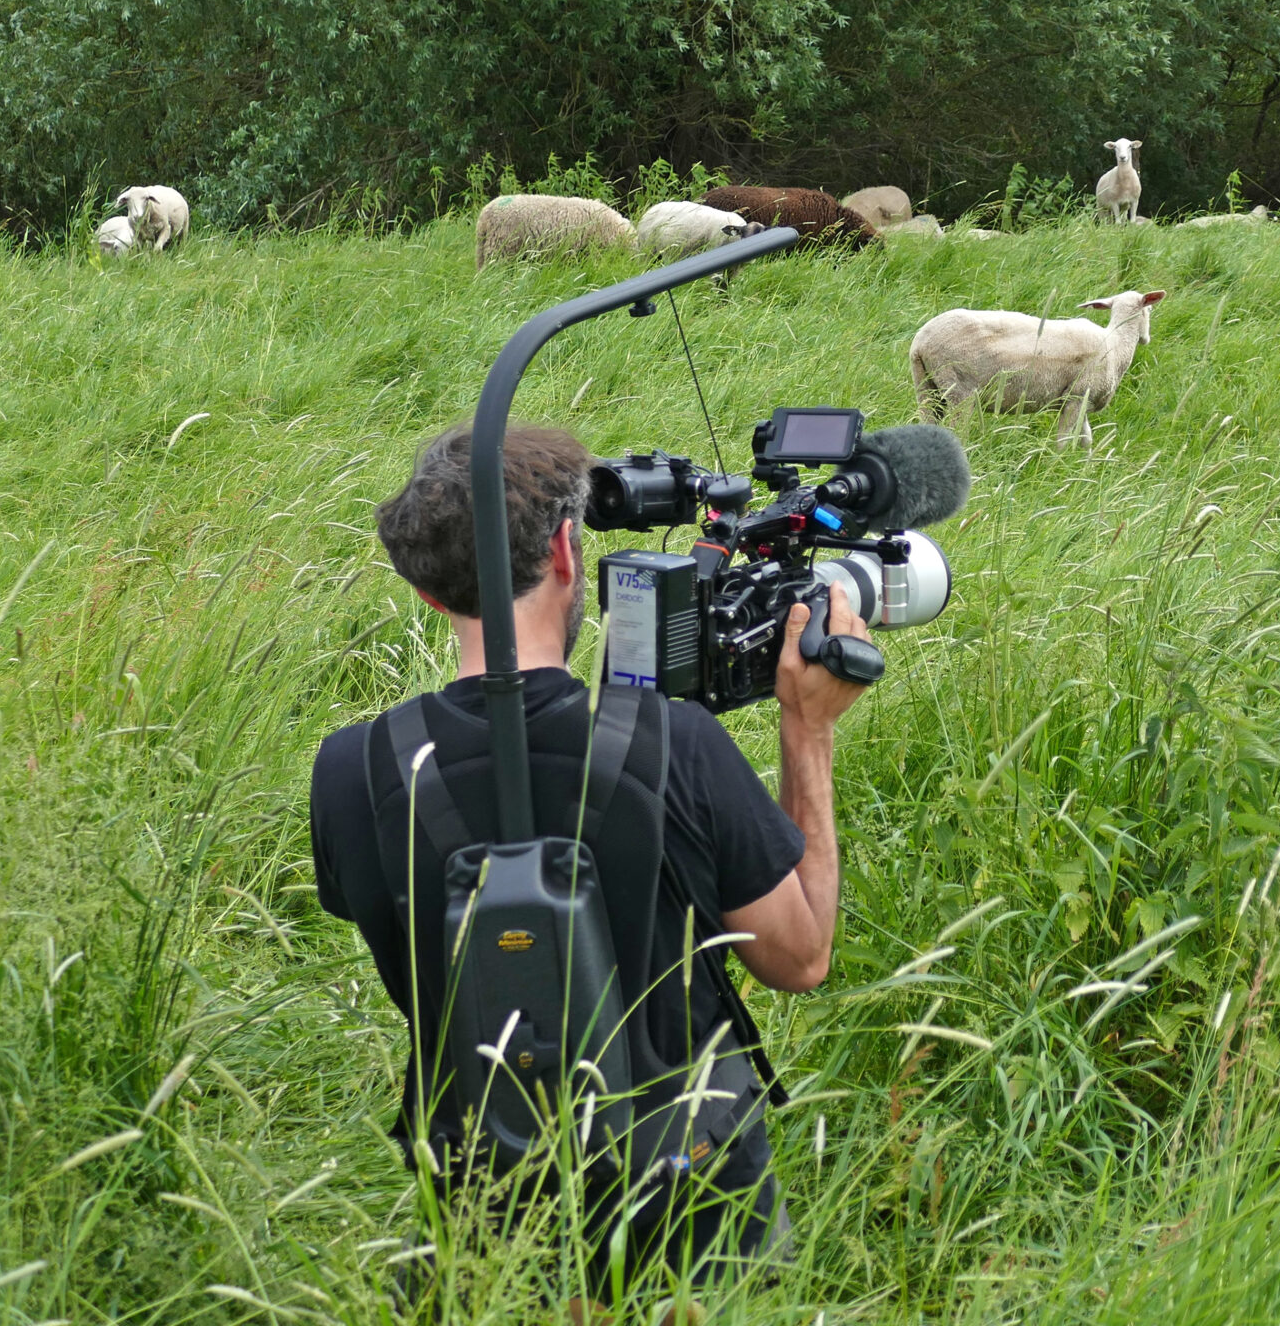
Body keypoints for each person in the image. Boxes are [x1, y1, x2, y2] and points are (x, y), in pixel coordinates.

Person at [309, 421, 871, 1290]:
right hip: (696, 1208)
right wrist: (810, 728)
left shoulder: (353, 769)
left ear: (428, 592)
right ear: (569, 553)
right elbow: (800, 958)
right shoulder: (674, 744)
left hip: (485, 1208)